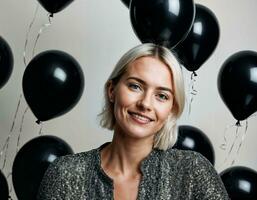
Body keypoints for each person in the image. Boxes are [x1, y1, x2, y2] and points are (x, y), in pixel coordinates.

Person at [37, 43, 229, 200]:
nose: (145, 104)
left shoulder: (193, 172)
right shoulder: (65, 174)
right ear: (112, 90)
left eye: (161, 96)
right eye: (135, 86)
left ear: (172, 109)